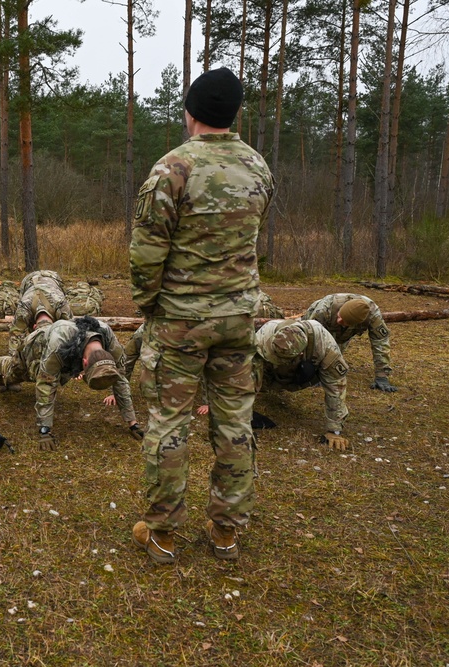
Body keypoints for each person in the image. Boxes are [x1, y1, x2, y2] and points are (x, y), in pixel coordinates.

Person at [128, 67, 274, 564]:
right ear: (233, 114)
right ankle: (226, 531)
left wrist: (149, 305)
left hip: (181, 321)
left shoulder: (173, 167)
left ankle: (164, 533)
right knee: (235, 424)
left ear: (189, 112)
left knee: (169, 422)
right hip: (238, 317)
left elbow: (147, 251)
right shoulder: (257, 166)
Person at [0, 317, 144, 449]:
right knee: (15, 374)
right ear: (84, 362)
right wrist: (45, 429)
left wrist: (133, 423)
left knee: (56, 375)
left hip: (67, 355)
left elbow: (121, 379)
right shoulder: (59, 343)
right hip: (34, 349)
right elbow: (46, 385)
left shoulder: (108, 338)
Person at [253, 320, 350, 449]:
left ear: (301, 353)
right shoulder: (263, 337)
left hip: (302, 373)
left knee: (311, 370)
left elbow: (336, 386)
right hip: (270, 374)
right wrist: (242, 415)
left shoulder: (325, 346)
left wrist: (334, 430)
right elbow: (244, 374)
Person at [301, 293, 397, 392]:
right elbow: (311, 340)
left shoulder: (372, 314)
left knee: (334, 356)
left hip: (342, 335)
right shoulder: (323, 310)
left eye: (343, 321)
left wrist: (382, 377)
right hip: (318, 324)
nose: (339, 320)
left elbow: (380, 342)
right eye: (339, 316)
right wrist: (313, 370)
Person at [8, 270, 73, 356]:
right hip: (29, 281)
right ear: (34, 326)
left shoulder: (62, 306)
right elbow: (16, 335)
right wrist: (17, 358)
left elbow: (72, 335)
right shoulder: (23, 309)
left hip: (53, 279)